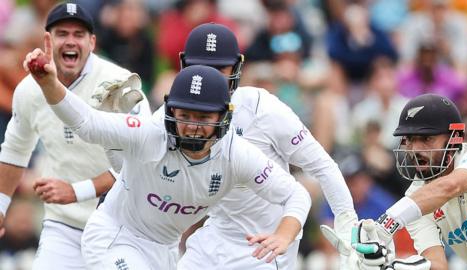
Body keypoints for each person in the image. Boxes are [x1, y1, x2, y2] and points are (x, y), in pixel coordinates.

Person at [24, 31, 312, 269]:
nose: (193, 126)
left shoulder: (236, 153)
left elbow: (295, 194)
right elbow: (87, 122)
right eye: (185, 114)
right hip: (117, 236)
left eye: (204, 117)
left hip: (166, 251)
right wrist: (49, 83)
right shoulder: (151, 132)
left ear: (223, 118)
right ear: (171, 110)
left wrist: (284, 235)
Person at [167, 23, 357, 270]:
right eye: (201, 67)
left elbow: (322, 166)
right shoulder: (175, 111)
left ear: (235, 68)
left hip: (267, 245)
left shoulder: (262, 109)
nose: (209, 78)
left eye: (218, 69)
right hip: (214, 235)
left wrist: (348, 226)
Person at [0, 2, 149, 269]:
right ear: (48, 39)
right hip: (64, 225)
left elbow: (140, 164)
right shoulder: (29, 90)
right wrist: (1, 206)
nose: (71, 41)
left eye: (79, 35)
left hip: (121, 227)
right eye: (62, 33)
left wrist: (76, 191)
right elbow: (15, 150)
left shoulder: (122, 84)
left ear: (92, 42)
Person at [352, 93, 467, 270]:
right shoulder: (414, 199)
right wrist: (396, 266)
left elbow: (451, 186)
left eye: (427, 138)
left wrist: (386, 224)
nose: (415, 150)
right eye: (410, 139)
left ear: (454, 138)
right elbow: (438, 265)